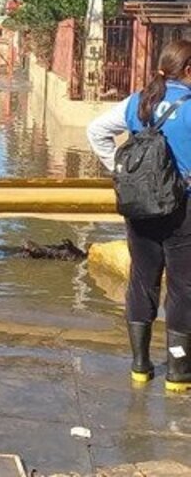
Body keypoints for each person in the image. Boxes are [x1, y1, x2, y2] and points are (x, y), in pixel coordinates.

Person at [87, 39, 191, 391]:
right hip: (184, 209)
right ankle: (177, 373)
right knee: (182, 288)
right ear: (188, 69)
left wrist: (120, 173)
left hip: (140, 208)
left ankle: (140, 366)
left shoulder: (138, 102)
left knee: (142, 281)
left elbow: (96, 131)